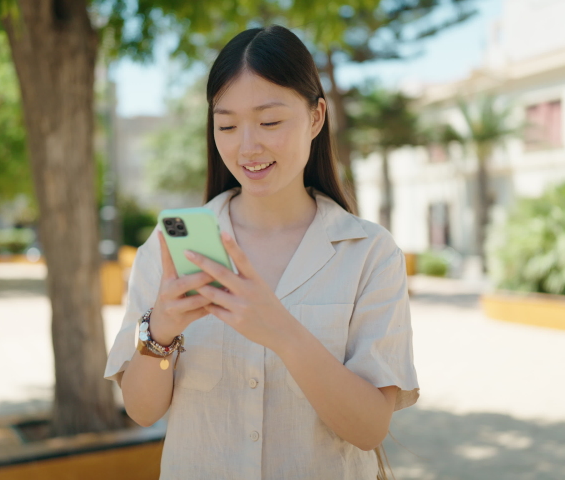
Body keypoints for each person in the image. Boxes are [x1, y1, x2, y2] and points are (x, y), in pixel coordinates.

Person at [104, 25, 419, 480]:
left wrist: (282, 332)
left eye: (269, 122)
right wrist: (162, 330)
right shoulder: (174, 242)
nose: (247, 146)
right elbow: (141, 410)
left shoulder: (369, 252)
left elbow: (369, 429)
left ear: (316, 118)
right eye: (227, 125)